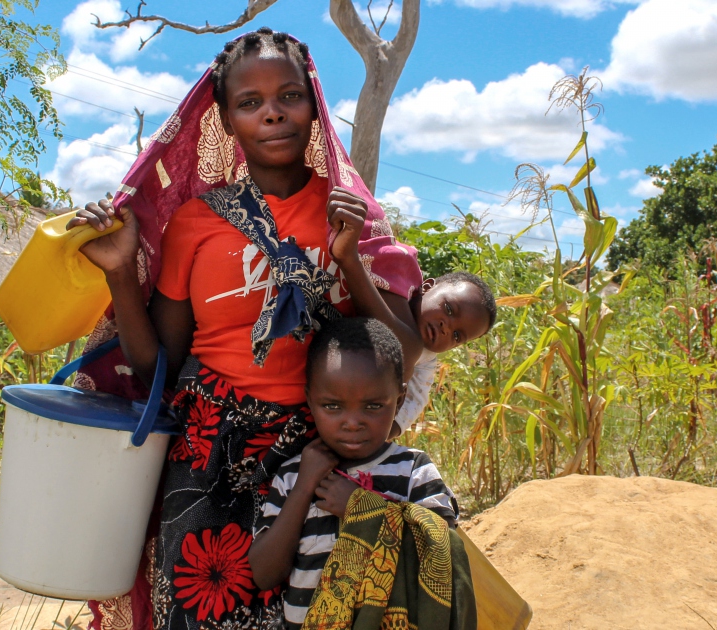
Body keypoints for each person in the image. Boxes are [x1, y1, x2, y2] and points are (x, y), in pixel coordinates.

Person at [67, 28, 423, 630]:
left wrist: (349, 259)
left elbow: (403, 355)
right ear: (226, 121)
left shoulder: (348, 214)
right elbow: (158, 368)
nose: (273, 113)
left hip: (322, 448)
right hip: (209, 450)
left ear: (313, 106)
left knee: (321, 612)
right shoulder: (194, 223)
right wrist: (122, 277)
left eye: (289, 95)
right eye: (250, 102)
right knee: (197, 612)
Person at [248, 317, 459, 629]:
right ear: (310, 400)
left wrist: (361, 508)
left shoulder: (414, 470)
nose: (352, 422)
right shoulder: (293, 476)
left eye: (373, 407)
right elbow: (265, 574)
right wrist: (305, 487)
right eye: (332, 407)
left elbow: (443, 556)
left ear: (399, 400)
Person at [325, 196, 498, 433]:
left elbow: (416, 400)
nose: (446, 328)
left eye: (457, 335)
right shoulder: (398, 279)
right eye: (448, 309)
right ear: (426, 287)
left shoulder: (424, 359)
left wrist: (389, 431)